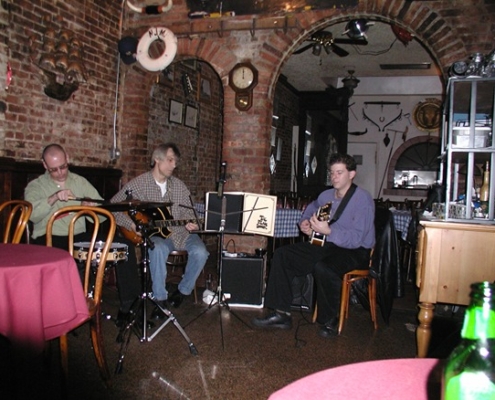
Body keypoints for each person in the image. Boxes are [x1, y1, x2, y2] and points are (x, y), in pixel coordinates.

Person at [252, 153, 375, 338]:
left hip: (356, 250)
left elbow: (357, 238)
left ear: (351, 174)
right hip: (328, 243)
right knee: (282, 254)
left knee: (324, 267)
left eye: (339, 172)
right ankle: (281, 314)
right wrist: (305, 223)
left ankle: (329, 320)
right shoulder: (326, 195)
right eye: (332, 172)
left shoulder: (362, 200)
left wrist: (329, 232)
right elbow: (310, 209)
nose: (334, 177)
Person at [24, 144, 141, 326]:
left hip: (78, 237)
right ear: (44, 166)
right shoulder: (36, 186)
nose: (61, 173)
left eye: (63, 167)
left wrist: (93, 207)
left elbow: (103, 215)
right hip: (48, 239)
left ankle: (129, 308)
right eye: (54, 169)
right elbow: (31, 215)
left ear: (68, 159)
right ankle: (63, 311)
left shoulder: (79, 182)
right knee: (65, 259)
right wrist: (53, 198)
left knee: (124, 246)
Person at [110, 142, 209, 318]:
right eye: (170, 160)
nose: (174, 165)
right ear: (157, 159)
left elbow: (190, 213)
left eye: (175, 161)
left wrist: (192, 223)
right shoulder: (139, 184)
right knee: (158, 249)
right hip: (157, 236)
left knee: (201, 252)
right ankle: (160, 299)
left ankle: (182, 291)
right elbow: (113, 207)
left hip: (181, 233)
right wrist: (131, 225)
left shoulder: (179, 186)